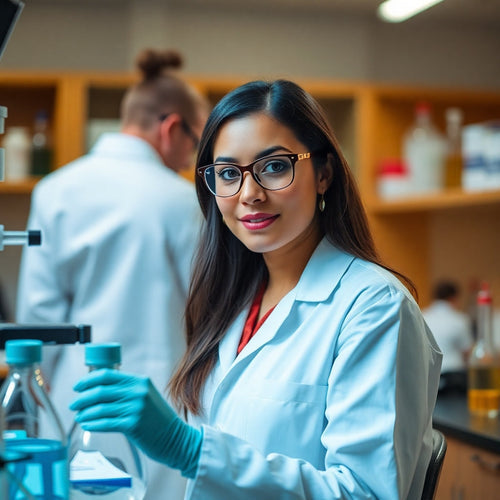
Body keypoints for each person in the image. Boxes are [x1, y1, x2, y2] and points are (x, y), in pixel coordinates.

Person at [70, 79, 442, 499]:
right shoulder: (234, 303)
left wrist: (189, 449)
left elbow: (366, 493)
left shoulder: (375, 308)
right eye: (228, 174)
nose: (249, 194)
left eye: (274, 167)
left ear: (324, 174)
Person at [16, 48, 209, 500]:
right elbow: (208, 320)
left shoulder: (55, 191)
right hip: (165, 411)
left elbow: (39, 324)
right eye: (194, 142)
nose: (190, 159)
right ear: (171, 128)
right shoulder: (185, 203)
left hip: (73, 404)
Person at [423, 280, 473, 391]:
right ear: (453, 298)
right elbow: (467, 352)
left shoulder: (422, 316)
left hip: (427, 376)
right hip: (455, 378)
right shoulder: (460, 319)